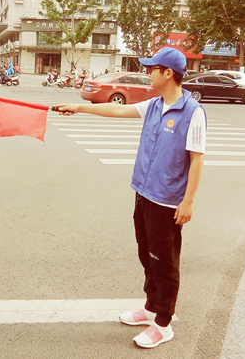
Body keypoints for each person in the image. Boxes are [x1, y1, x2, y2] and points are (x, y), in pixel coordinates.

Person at [56, 47, 206, 349]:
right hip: (144, 193)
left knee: (164, 262)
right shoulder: (154, 104)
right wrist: (79, 107)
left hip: (167, 201)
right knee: (146, 255)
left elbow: (197, 159)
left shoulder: (193, 112)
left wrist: (188, 201)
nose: (147, 73)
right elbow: (117, 110)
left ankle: (163, 323)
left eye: (152, 69)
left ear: (168, 73)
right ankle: (151, 307)